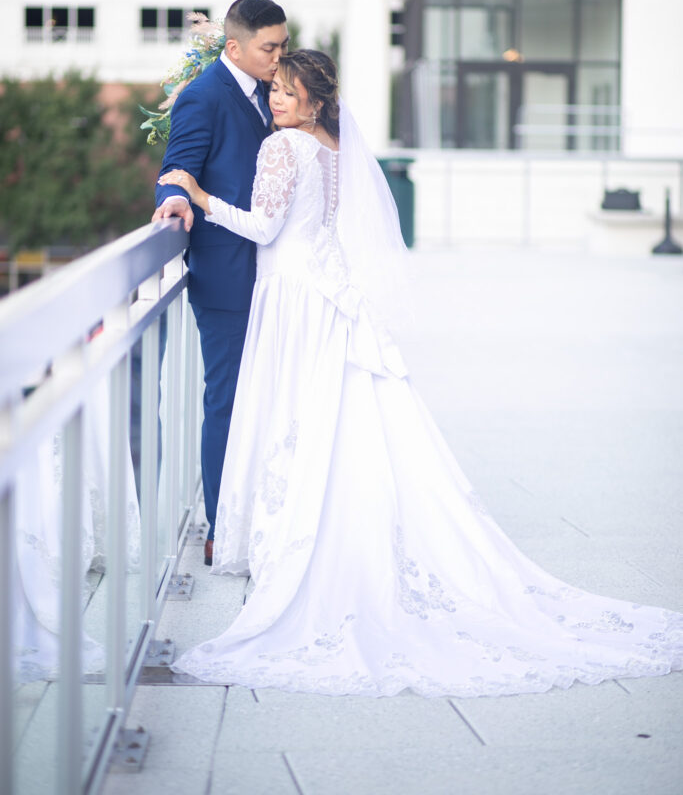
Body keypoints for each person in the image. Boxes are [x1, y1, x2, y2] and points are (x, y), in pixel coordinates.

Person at [160, 51, 683, 698]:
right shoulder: (331, 148)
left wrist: (199, 194)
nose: (276, 103)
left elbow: (264, 228)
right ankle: (295, 528)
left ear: (313, 102)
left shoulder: (281, 149)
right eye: (274, 92)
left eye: (287, 94)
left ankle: (282, 536)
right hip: (325, 294)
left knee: (290, 413)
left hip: (290, 296)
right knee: (318, 415)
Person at [154, 0, 289, 566]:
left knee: (267, 403)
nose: (280, 56)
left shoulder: (268, 91)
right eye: (270, 47)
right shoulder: (204, 96)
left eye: (283, 44)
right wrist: (177, 199)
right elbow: (176, 166)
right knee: (227, 403)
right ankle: (219, 527)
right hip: (225, 276)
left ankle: (261, 514)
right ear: (234, 47)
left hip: (273, 272)